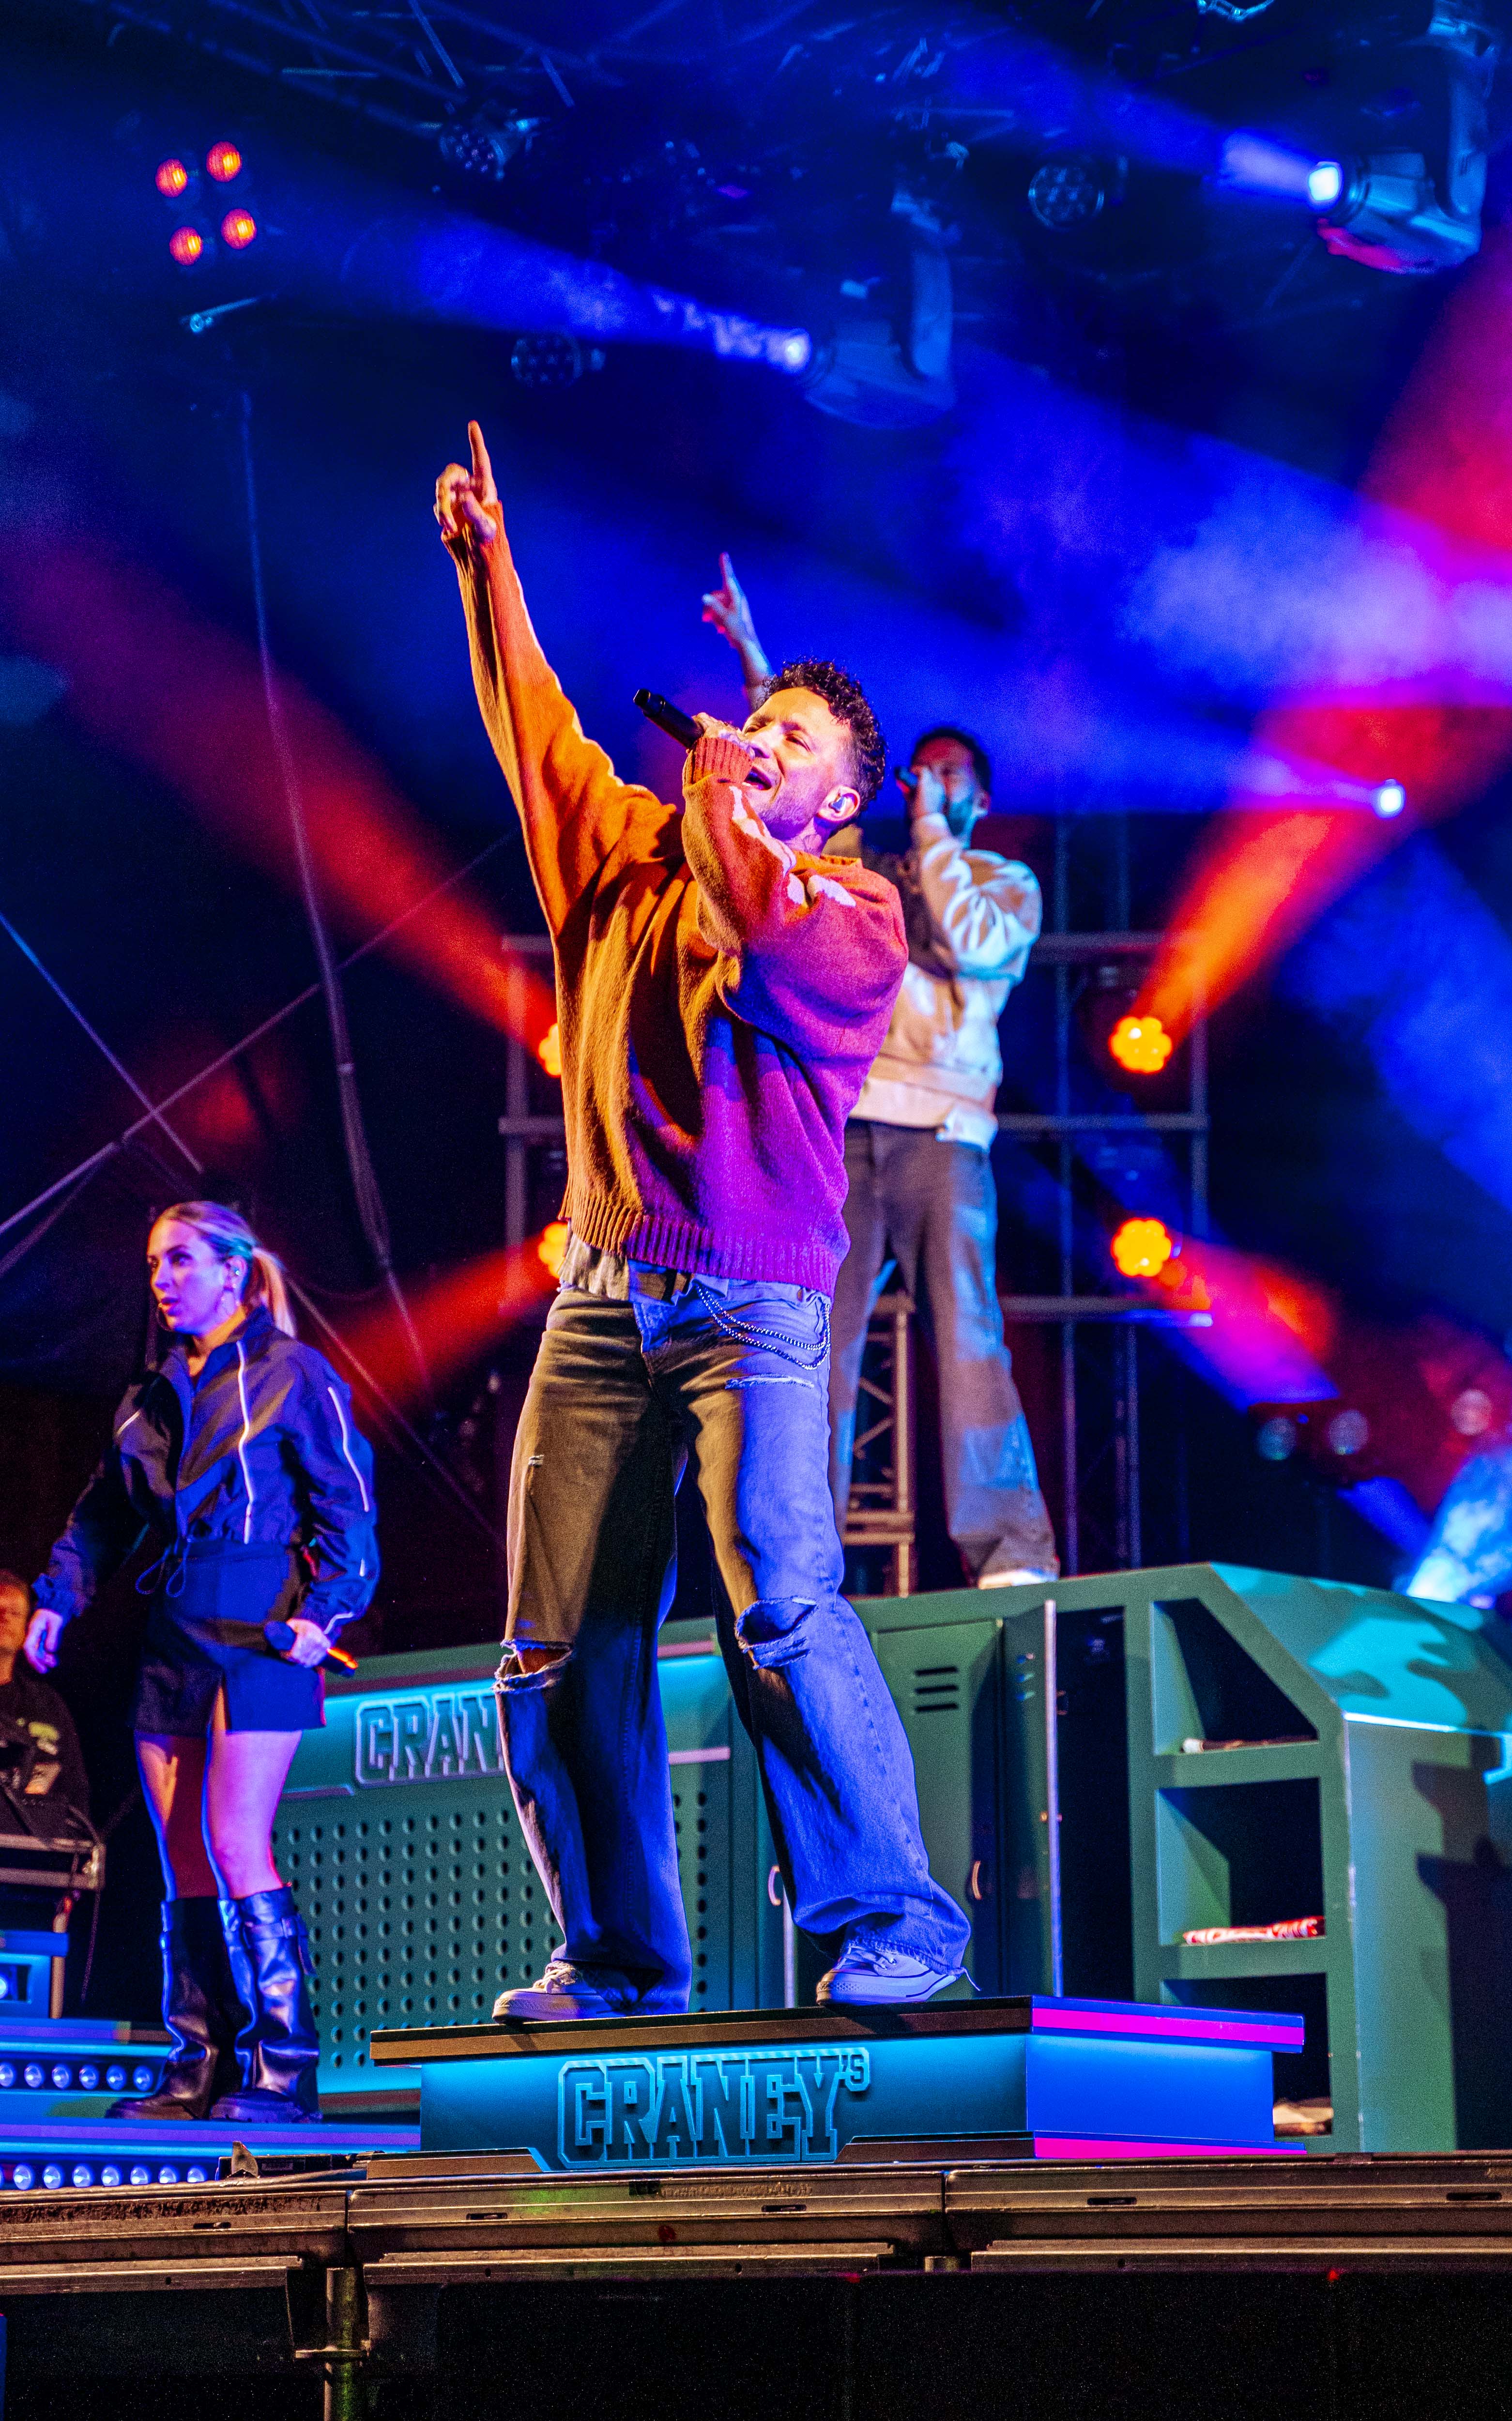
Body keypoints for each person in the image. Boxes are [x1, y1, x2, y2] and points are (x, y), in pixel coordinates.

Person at [436, 421, 969, 2016]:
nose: (753, 740)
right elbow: (536, 735)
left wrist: (726, 804)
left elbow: (756, 923)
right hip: (604, 1294)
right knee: (552, 1642)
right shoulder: (625, 862)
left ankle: (899, 1922)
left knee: (779, 1599)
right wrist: (488, 571)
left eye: (787, 739)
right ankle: (615, 1959)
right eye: (754, 722)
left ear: (843, 799)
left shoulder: (858, 916)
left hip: (755, 1307)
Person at [703, 555, 1059, 1586]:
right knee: (815, 1343)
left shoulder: (1001, 881)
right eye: (921, 772)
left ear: (980, 797)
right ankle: (797, 1556)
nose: (929, 784)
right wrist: (755, 661)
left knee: (969, 1341)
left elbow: (973, 945)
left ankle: (1008, 1550)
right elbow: (797, 793)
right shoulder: (869, 868)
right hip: (847, 1131)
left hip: (946, 1140)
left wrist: (936, 833)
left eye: (951, 775)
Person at [28, 1202, 378, 2123]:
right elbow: (103, 1513)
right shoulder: (148, 1395)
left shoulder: (292, 1372)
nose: (163, 1279)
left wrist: (323, 1614)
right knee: (181, 1854)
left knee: (233, 1842)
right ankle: (197, 2063)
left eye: (181, 1260)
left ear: (233, 1271)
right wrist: (58, 1597)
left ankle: (284, 2069)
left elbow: (348, 1505)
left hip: (263, 1626)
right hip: (176, 1627)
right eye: (155, 1264)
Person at [0, 1572, 90, 1816]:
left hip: (33, 1835)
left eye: (15, 1613)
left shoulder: (47, 1703)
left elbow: (75, 1787)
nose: (5, 1618)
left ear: (26, 1630)